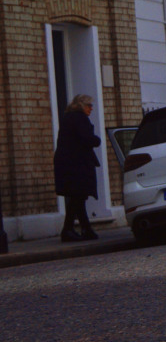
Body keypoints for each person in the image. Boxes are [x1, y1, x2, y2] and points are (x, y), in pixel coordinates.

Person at [54, 94, 101, 242]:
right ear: (81, 106)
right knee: (77, 197)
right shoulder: (79, 118)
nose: (91, 108)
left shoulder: (69, 118)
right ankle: (67, 230)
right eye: (89, 106)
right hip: (76, 164)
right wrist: (96, 140)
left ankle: (86, 229)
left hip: (68, 163)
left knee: (78, 197)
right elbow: (86, 138)